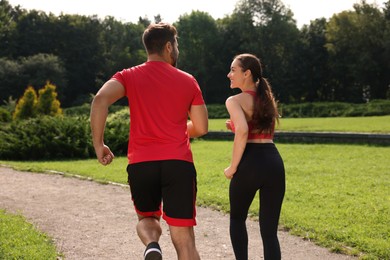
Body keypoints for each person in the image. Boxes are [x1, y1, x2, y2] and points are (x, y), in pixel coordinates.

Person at [90, 22, 208, 260]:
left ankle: (152, 244)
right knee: (184, 239)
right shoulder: (188, 80)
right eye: (176, 44)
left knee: (147, 218)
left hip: (142, 164)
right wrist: (174, 130)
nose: (177, 49)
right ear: (168, 46)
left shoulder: (129, 76)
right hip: (178, 164)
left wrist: (99, 144)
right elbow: (202, 127)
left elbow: (100, 99)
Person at [224, 53, 285, 260]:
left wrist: (232, 167)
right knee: (269, 233)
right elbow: (259, 131)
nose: (229, 74)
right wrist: (235, 126)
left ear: (247, 73)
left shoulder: (233, 100)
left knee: (238, 220)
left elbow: (243, 131)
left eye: (233, 70)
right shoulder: (266, 99)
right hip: (273, 162)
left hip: (250, 163)